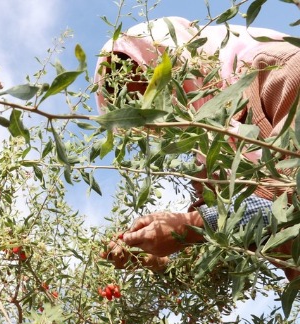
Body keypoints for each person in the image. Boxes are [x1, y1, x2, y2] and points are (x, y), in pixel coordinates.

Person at [94, 16, 300, 278]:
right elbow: (219, 249)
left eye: (155, 89)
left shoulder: (275, 67)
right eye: (144, 114)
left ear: (176, 61)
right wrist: (157, 258)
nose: (162, 117)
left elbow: (291, 194)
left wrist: (191, 227)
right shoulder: (209, 160)